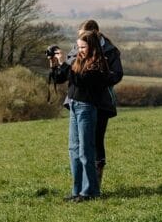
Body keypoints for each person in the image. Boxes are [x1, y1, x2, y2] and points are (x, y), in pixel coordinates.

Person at [50, 30, 113, 201]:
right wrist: (55, 64)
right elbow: (61, 78)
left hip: (87, 108)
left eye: (83, 47)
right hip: (74, 106)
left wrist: (65, 64)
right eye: (78, 47)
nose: (80, 50)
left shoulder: (98, 64)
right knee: (74, 150)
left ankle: (91, 191)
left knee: (86, 151)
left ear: (92, 46)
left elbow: (81, 81)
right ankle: (77, 191)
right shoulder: (79, 60)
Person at [61, 20, 123, 188]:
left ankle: (95, 181)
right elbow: (68, 72)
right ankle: (82, 186)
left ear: (95, 33)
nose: (80, 38)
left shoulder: (110, 50)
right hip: (78, 99)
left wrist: (98, 80)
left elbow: (117, 74)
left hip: (101, 101)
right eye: (79, 35)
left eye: (83, 34)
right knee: (78, 144)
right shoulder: (78, 48)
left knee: (95, 140)